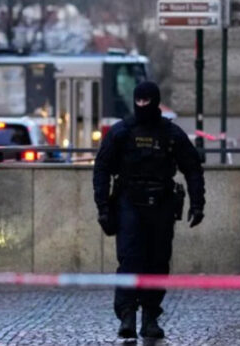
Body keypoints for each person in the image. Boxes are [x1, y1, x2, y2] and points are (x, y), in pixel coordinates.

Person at [93, 81, 205, 340]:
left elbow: (192, 168)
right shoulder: (121, 132)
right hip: (128, 203)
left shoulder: (171, 134)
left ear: (155, 101)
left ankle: (151, 317)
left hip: (161, 204)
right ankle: (128, 315)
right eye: (139, 101)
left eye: (147, 101)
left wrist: (198, 203)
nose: (142, 106)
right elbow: (101, 168)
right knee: (130, 260)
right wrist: (102, 207)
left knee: (157, 262)